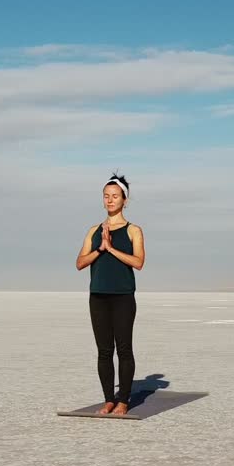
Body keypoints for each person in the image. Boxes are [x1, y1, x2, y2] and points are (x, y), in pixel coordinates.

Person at [75, 174, 146, 415]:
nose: (110, 200)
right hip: (98, 297)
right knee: (104, 351)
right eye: (106, 196)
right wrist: (100, 248)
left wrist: (112, 249)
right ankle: (108, 400)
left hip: (123, 297)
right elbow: (80, 262)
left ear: (125, 200)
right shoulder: (94, 231)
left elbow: (138, 262)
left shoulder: (133, 230)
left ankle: (123, 401)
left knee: (124, 348)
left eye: (115, 196)